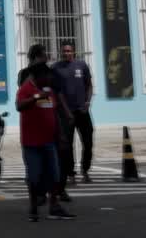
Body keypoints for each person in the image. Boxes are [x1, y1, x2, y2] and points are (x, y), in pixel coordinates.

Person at [15, 44, 76, 222]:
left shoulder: (48, 90)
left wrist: (62, 133)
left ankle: (54, 206)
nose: (49, 80)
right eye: (45, 77)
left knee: (55, 175)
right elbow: (19, 106)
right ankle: (33, 208)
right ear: (37, 76)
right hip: (31, 143)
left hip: (49, 140)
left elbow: (53, 110)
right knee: (34, 177)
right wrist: (36, 97)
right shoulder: (26, 87)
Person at [52, 43, 96, 187]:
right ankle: (70, 174)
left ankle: (85, 170)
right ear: (61, 52)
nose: (66, 53)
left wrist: (88, 102)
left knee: (88, 142)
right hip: (65, 114)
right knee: (67, 146)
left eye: (69, 51)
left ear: (74, 52)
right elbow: (56, 92)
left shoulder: (82, 65)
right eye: (64, 51)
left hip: (82, 111)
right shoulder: (56, 68)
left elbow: (89, 85)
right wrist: (65, 111)